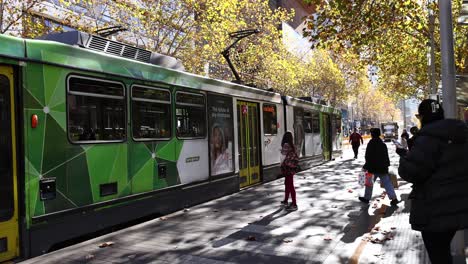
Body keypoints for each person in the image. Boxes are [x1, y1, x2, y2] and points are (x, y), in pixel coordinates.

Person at [397, 99, 468, 264]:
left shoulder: (427, 139)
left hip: (436, 209)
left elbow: (412, 172)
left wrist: (406, 157)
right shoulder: (462, 134)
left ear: (422, 117)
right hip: (461, 205)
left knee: (439, 255)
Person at [359, 128, 399, 205]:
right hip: (382, 168)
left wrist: (365, 166)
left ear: (373, 134)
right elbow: (386, 156)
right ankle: (394, 198)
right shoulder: (382, 144)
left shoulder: (371, 143)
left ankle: (367, 198)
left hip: (372, 168)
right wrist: (387, 165)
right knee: (387, 184)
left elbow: (368, 156)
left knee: (369, 184)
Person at [280, 131, 299, 211]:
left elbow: (283, 156)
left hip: (287, 168)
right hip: (291, 168)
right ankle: (286, 200)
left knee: (290, 185)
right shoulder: (292, 146)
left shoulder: (286, 145)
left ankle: (294, 204)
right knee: (287, 183)